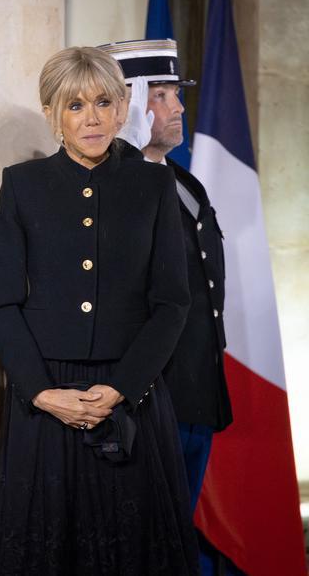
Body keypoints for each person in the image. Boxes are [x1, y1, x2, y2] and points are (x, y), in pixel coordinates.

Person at [0, 46, 198, 574]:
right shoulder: (23, 186)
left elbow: (172, 302)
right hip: (47, 402)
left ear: (123, 107)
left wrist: (123, 388)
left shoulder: (154, 186)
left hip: (131, 398)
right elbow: (4, 302)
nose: (93, 118)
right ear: (53, 112)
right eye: (76, 105)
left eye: (104, 102)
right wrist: (39, 392)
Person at [99, 39, 231, 513]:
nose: (178, 108)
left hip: (196, 390)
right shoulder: (110, 186)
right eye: (160, 94)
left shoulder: (184, 181)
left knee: (177, 533)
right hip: (149, 395)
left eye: (177, 94)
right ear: (128, 102)